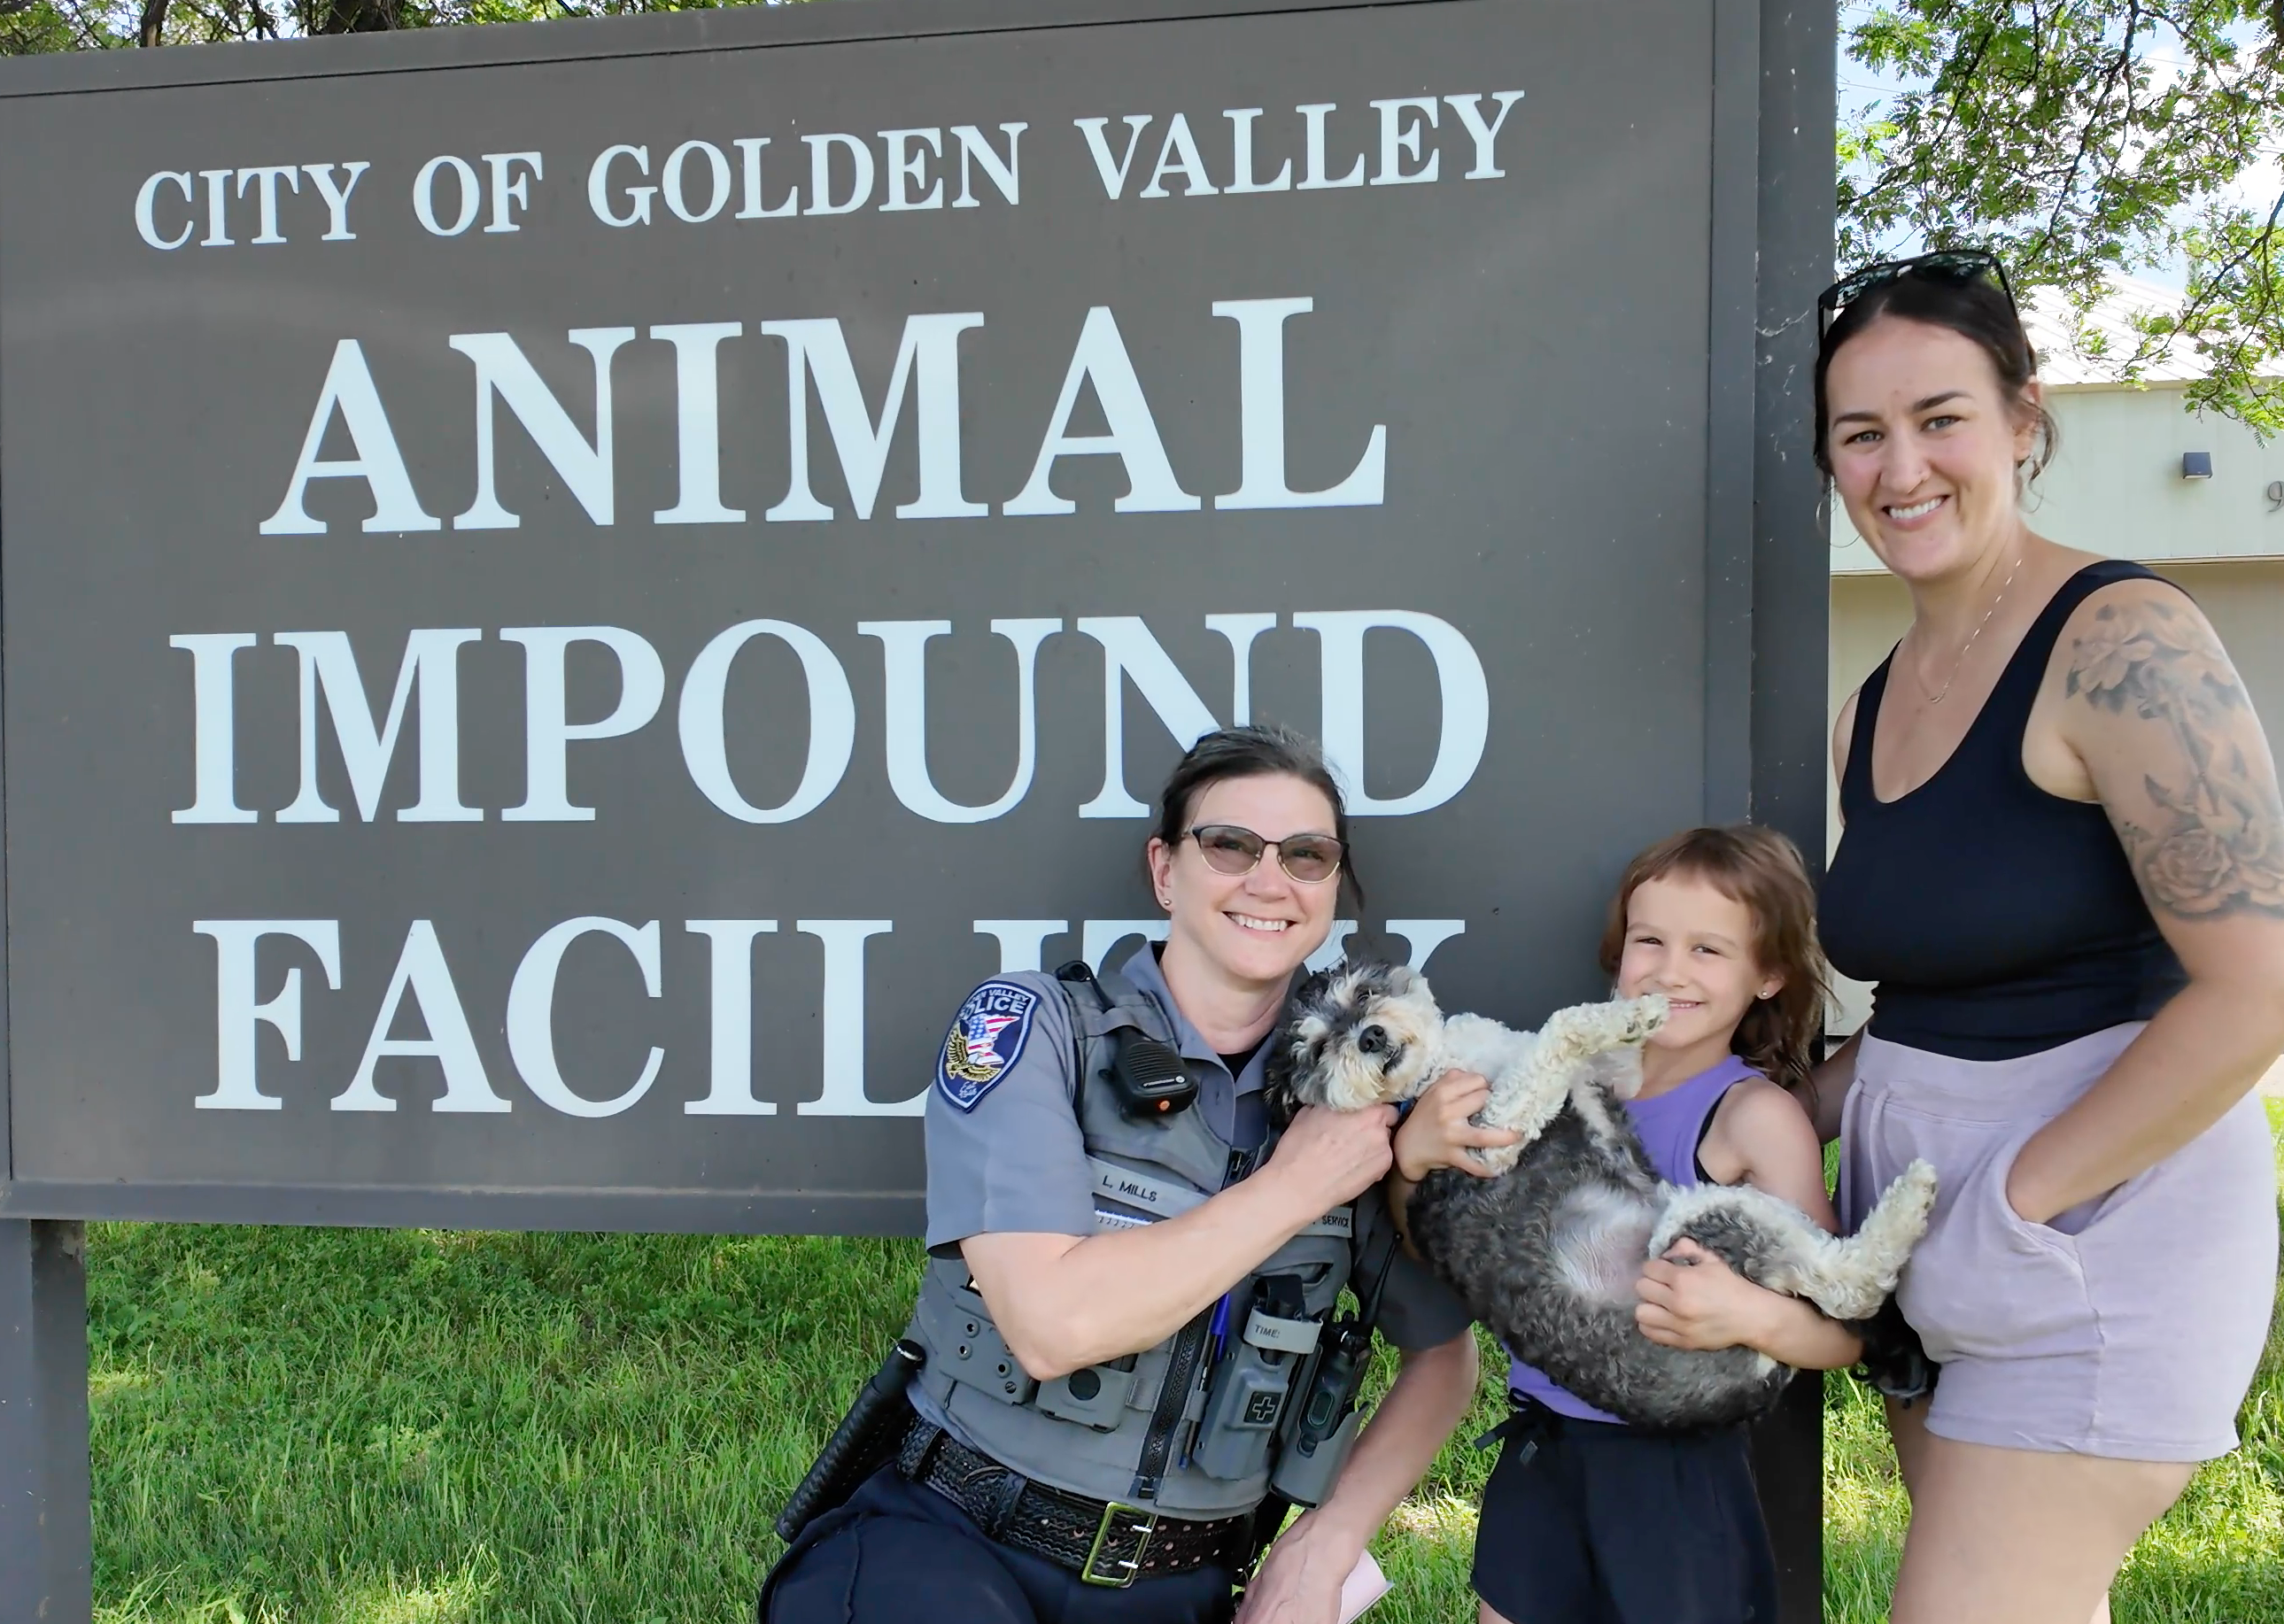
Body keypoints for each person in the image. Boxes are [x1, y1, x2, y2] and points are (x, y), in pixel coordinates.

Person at [1803, 251, 2284, 1624]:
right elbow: (1924, 990)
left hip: (2080, 1236)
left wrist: (2010, 1206)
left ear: (2022, 419)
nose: (1901, 466)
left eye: (1939, 417)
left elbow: (2253, 983)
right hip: (1921, 1237)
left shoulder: (2121, 640)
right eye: (1860, 433)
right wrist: (1796, 1095)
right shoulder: (1871, 707)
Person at [762, 723, 1482, 1624]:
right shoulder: (1035, 1030)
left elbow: (1445, 1358)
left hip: (1180, 1589)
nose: (1269, 879)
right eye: (1228, 844)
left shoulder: (1355, 1098)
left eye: (1305, 855)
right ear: (1163, 869)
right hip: (952, 1544)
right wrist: (1294, 1185)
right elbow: (1053, 1325)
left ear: (1330, 888)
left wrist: (1327, 1539)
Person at [1389, 824, 1861, 1624]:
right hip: (1542, 1447)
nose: (1669, 971)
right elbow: (1446, 1251)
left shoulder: (1754, 1119)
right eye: (1650, 940)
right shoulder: (1554, 1084)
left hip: (1674, 1470)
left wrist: (1752, 1314)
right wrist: (1411, 1163)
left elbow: (1844, 1329)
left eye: (1708, 951)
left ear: (1769, 973)